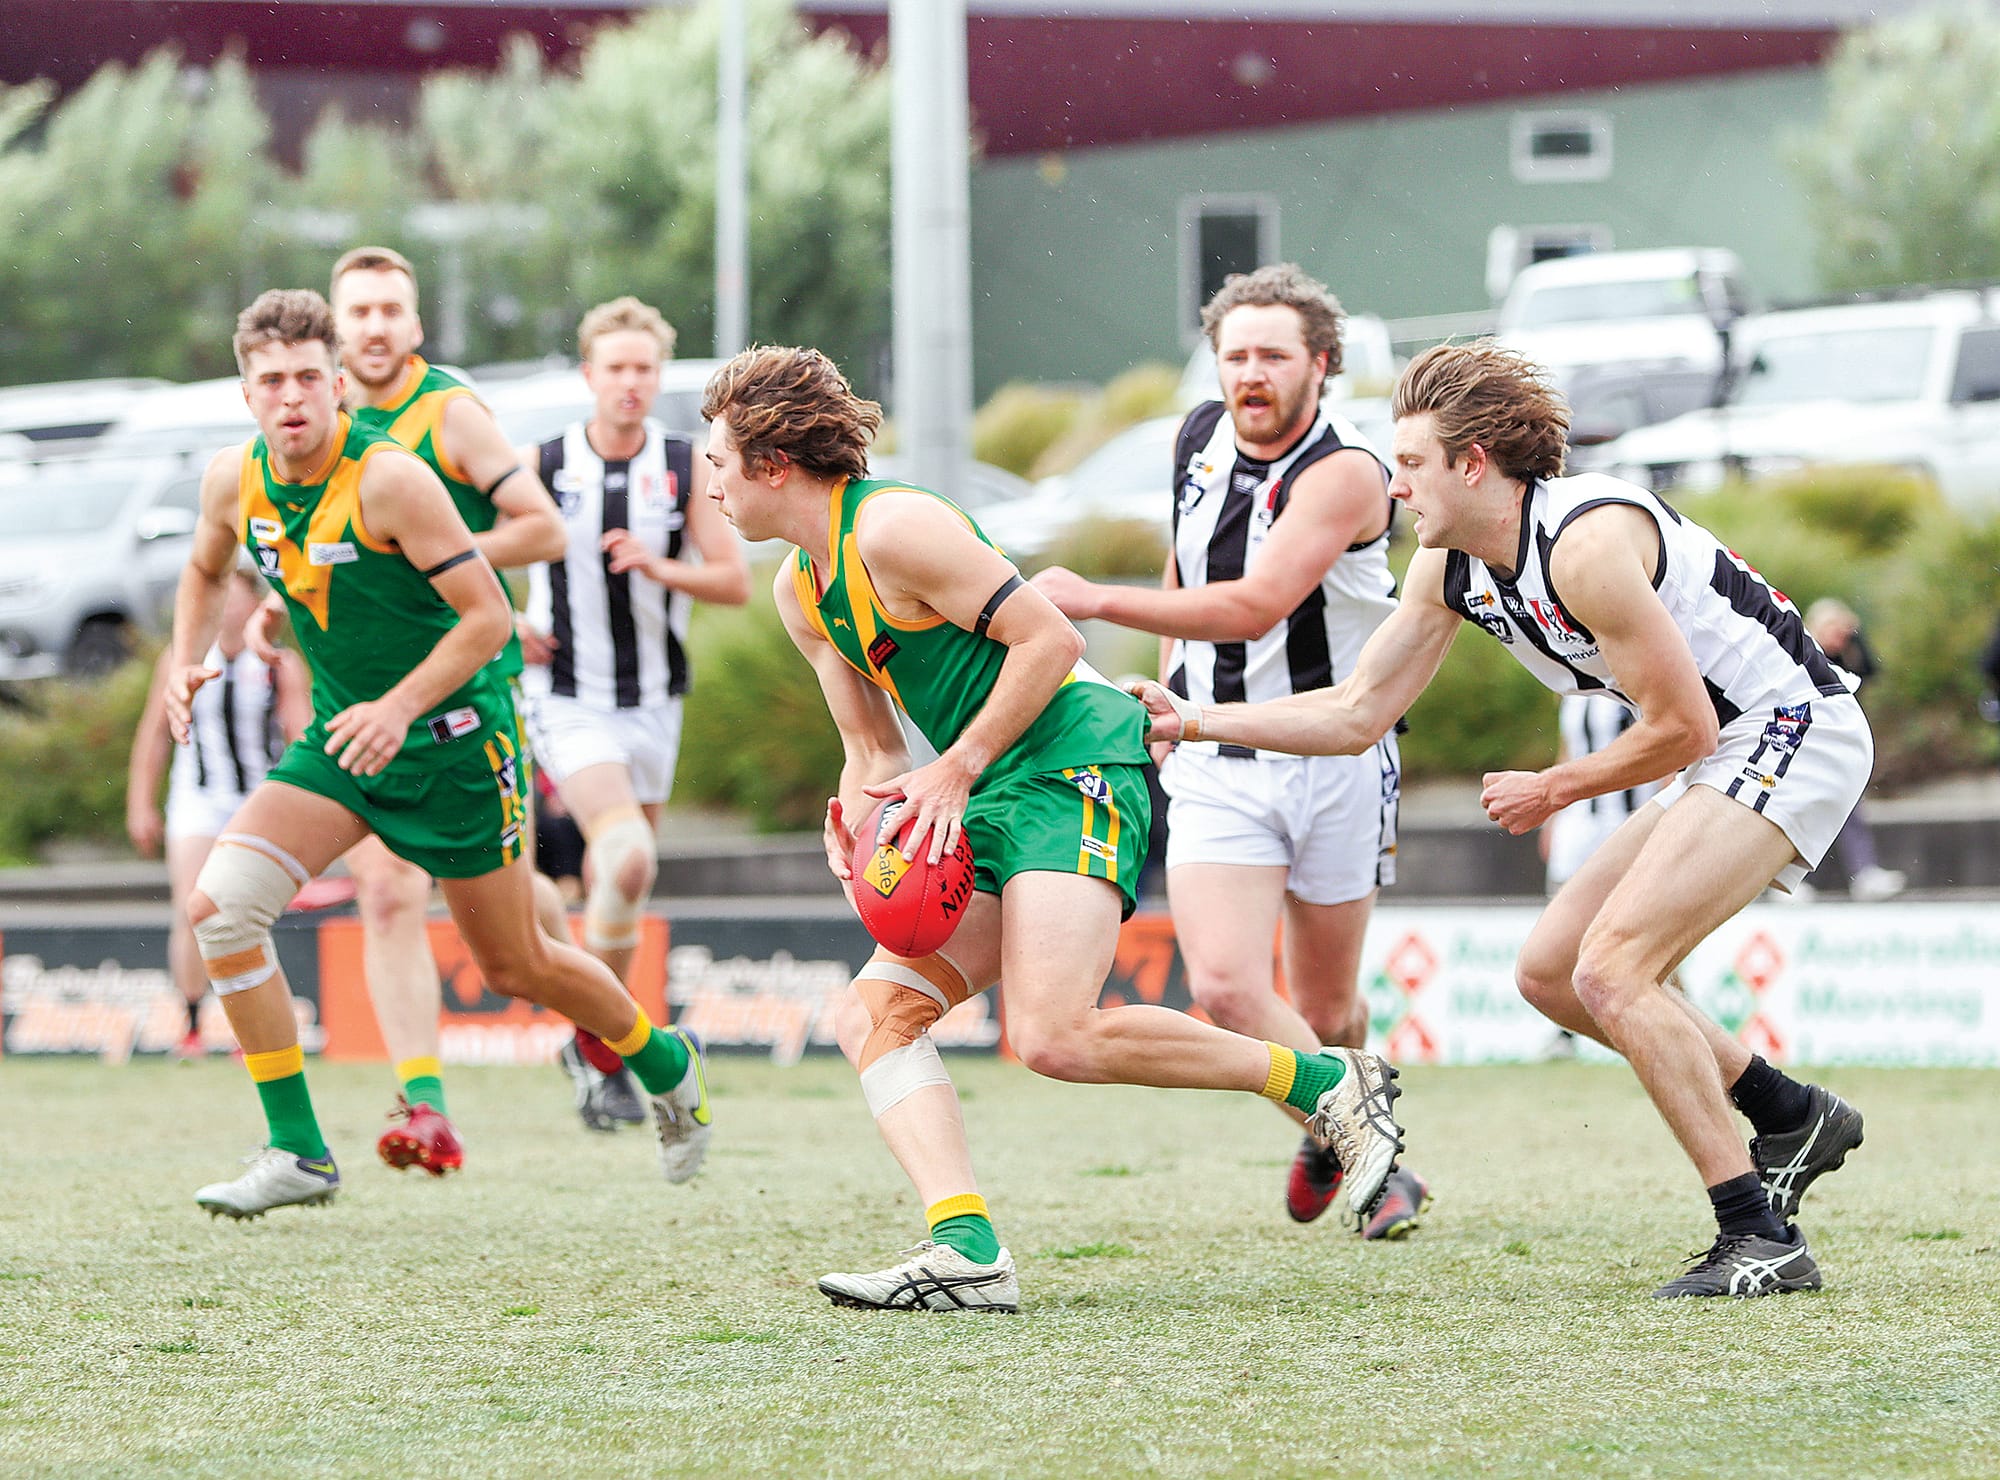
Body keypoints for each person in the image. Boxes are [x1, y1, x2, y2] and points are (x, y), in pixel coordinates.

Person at [1129, 341, 1868, 1299]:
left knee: (1612, 970)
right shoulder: (1449, 565)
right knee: (1552, 975)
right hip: (1730, 746)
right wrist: (1191, 718)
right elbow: (1357, 713)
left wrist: (1555, 787)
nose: (1395, 488)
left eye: (1412, 465)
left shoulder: (1587, 545)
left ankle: (1757, 1234)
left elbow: (1682, 727)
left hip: (1795, 729)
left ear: (1474, 463)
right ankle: (1789, 1112)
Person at [700, 345, 1406, 1313]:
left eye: (716, 463)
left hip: (1075, 758)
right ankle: (967, 1250)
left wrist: (957, 762)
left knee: (1052, 1033)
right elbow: (870, 752)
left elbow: (1052, 639)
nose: (711, 486)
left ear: (771, 463)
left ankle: (1326, 1082)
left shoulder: (895, 528)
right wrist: (858, 833)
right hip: (985, 784)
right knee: (871, 1014)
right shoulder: (800, 590)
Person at [168, 288, 711, 1220]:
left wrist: (401, 705)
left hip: (457, 746)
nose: (291, 397)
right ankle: (298, 1150)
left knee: (518, 965)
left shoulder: (390, 479)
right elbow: (204, 565)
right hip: (343, 748)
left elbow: (489, 615)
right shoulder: (235, 478)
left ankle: (666, 1064)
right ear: (246, 393)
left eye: (308, 378)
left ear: (337, 384)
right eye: (271, 382)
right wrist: (187, 662)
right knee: (219, 911)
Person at [1033, 264, 1427, 1239]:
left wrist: (1093, 597)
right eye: (1233, 355)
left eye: (1271, 356)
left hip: (1331, 754)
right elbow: (1185, 560)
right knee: (1224, 988)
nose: (1248, 373)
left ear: (1320, 366)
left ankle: (1326, 1119)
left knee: (1329, 1012)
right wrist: (1170, 674)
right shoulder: (1197, 437)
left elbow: (1256, 603)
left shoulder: (1345, 472)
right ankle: (1371, 1156)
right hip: (1210, 756)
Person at [248, 245, 570, 1174]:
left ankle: (588, 997)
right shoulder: (310, 426)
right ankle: (422, 1103)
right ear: (334, 334)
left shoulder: (449, 414)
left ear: (417, 324)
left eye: (394, 309)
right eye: (361, 312)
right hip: (368, 707)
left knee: (497, 914)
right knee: (389, 888)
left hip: (464, 690)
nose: (378, 326)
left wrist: (423, 547)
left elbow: (543, 528)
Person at [519, 296, 749, 1132]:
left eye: (643, 369)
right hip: (567, 696)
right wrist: (508, 623)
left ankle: (593, 1046)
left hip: (654, 702)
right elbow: (460, 553)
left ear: (659, 378)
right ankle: (604, 1043)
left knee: (627, 880)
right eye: (614, 367)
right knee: (624, 860)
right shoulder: (542, 463)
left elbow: (733, 581)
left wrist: (660, 566)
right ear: (588, 375)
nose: (629, 382)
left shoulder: (687, 466)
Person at [127, 564, 311, 1059]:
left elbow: (301, 734)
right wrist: (140, 803)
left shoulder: (279, 663)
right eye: (220, 599)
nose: (228, 608)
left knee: (245, 913)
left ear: (255, 606)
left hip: (258, 798)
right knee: (191, 906)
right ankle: (190, 1026)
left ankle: (248, 1031)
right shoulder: (181, 659)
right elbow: (154, 734)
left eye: (237, 599)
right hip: (198, 798)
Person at [1798, 598, 1905, 902]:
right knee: (1805, 809)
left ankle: (1863, 872)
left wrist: (1856, 636)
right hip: (1809, 745)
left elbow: (1870, 672)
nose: (1839, 636)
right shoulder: (1806, 653)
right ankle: (1793, 880)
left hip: (1839, 748)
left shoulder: (1847, 656)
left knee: (1849, 808)